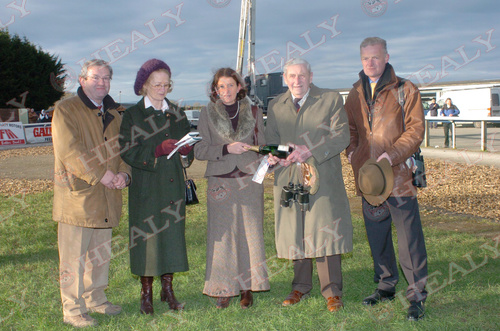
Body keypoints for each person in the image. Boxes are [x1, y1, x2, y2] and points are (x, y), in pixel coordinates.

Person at [344, 37, 428, 321]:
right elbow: (351, 129)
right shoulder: (354, 93)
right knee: (377, 236)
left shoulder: (405, 89)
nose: (370, 62)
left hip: (400, 176)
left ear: (387, 57)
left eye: (376, 57)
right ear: (360, 60)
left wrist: (391, 156)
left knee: (409, 239)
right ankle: (386, 285)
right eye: (366, 58)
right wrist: (352, 151)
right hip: (369, 181)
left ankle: (416, 297)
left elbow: (415, 131)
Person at [265, 58, 353, 313]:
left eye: (302, 75)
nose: (297, 81)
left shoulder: (331, 99)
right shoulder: (276, 105)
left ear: (311, 76)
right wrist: (273, 156)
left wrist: (309, 150)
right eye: (291, 76)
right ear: (284, 78)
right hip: (289, 177)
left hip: (322, 176)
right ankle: (300, 286)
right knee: (297, 230)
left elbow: (342, 136)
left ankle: (332, 290)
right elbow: (272, 141)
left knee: (324, 230)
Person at [52, 59, 131, 328]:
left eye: (107, 78)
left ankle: (96, 299)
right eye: (96, 77)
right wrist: (102, 175)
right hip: (78, 197)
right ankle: (72, 309)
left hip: (107, 197)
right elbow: (70, 151)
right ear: (82, 80)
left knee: (99, 255)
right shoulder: (66, 110)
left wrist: (123, 174)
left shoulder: (115, 112)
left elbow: (123, 150)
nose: (102, 83)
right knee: (73, 259)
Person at [119, 59, 192, 315]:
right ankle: (146, 292)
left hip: (172, 186)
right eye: (156, 84)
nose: (162, 89)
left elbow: (187, 155)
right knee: (147, 240)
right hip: (146, 187)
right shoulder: (133, 115)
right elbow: (127, 150)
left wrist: (186, 152)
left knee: (171, 238)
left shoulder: (178, 113)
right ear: (144, 85)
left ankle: (168, 290)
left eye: (166, 84)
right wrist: (156, 151)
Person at [194, 67, 269, 309]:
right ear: (215, 90)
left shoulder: (255, 111)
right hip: (220, 183)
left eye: (230, 85)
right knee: (222, 236)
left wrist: (269, 165)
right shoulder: (207, 114)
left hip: (249, 181)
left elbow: (263, 146)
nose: (226, 90)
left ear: (240, 87)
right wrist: (227, 149)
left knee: (251, 234)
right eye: (221, 86)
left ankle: (248, 287)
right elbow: (200, 150)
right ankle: (223, 288)